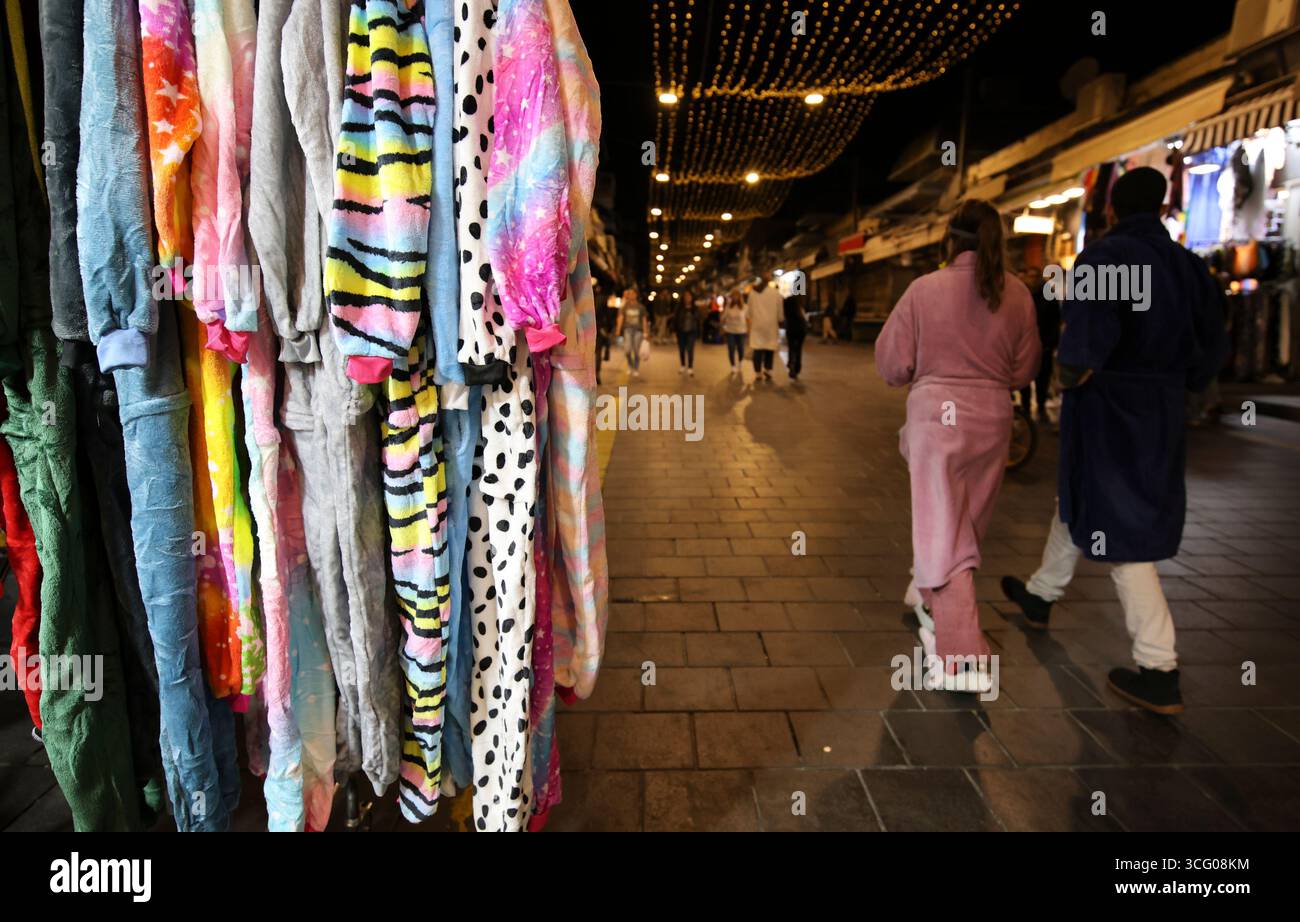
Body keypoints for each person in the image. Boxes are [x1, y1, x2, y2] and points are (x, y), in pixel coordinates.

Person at [1001, 167, 1227, 715]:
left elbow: (1083, 347)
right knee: (1081, 501)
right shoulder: (1190, 267)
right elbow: (1213, 344)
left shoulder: (1105, 259)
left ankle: (1158, 666)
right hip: (1162, 408)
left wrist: (1071, 378)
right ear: (1164, 205)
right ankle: (1040, 594)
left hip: (1110, 409)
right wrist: (1184, 385)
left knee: (1121, 530)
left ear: (1110, 210)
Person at [876, 199, 1041, 693]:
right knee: (963, 526)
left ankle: (962, 658)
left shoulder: (923, 290)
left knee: (945, 534)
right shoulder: (1017, 294)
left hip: (936, 421)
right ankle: (927, 593)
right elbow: (1026, 368)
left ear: (950, 240)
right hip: (992, 418)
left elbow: (891, 365)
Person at [1017, 266, 1060, 418]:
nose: (1032, 279)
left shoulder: (1047, 295)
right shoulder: (1020, 294)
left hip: (1043, 345)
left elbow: (1055, 320)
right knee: (1024, 379)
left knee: (1042, 378)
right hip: (1025, 346)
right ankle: (1026, 407)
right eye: (1030, 276)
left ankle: (1040, 406)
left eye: (1035, 276)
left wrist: (1050, 343)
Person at [746, 274, 783, 381]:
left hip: (757, 325)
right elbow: (780, 311)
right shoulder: (775, 293)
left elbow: (749, 312)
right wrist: (780, 319)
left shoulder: (753, 293)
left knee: (757, 349)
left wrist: (752, 319)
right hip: (771, 325)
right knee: (769, 348)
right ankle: (768, 369)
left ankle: (758, 373)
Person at [615, 287, 649, 378]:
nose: (631, 295)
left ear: (636, 295)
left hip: (638, 331)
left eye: (632, 293)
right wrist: (618, 330)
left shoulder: (641, 307)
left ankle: (636, 368)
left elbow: (644, 320)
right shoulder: (625, 307)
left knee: (636, 351)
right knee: (627, 350)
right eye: (629, 294)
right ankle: (630, 365)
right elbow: (621, 318)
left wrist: (645, 332)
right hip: (628, 330)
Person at [674, 290, 702, 376]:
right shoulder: (679, 307)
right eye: (686, 296)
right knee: (682, 349)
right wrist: (675, 330)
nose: (687, 298)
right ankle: (682, 365)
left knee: (690, 349)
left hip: (691, 332)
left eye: (689, 296)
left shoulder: (695, 308)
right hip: (681, 331)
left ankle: (690, 367)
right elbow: (675, 319)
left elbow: (698, 320)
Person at [783, 291, 809, 381]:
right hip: (801, 328)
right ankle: (797, 367)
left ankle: (791, 364)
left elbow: (784, 315)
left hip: (791, 327)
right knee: (798, 348)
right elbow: (804, 316)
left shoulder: (787, 301)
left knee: (791, 347)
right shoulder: (800, 302)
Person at [722, 293, 748, 375]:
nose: (735, 297)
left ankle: (740, 362)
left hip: (741, 331)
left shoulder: (745, 307)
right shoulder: (728, 307)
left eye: (737, 296)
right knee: (731, 349)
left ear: (740, 297)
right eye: (734, 296)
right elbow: (723, 318)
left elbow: (748, 319)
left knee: (741, 349)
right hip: (730, 331)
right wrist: (722, 327)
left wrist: (749, 330)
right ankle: (733, 366)